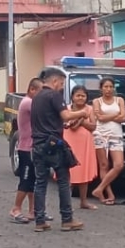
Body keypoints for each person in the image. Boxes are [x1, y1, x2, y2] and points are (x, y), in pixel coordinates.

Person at [31, 67, 89, 232]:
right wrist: (82, 113)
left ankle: (39, 220)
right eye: (62, 83)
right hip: (53, 145)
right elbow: (66, 115)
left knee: (40, 182)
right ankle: (67, 218)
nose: (62, 87)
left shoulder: (37, 97)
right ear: (55, 81)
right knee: (63, 181)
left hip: (37, 144)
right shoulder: (54, 95)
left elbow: (49, 118)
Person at [9, 77, 42, 223]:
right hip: (26, 148)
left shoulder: (31, 102)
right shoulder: (29, 103)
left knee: (33, 180)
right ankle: (15, 209)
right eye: (41, 91)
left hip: (32, 147)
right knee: (26, 180)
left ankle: (33, 210)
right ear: (32, 89)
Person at [92, 77, 125, 205]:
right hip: (100, 135)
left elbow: (124, 117)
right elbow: (99, 118)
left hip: (116, 135)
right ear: (101, 88)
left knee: (118, 165)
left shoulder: (119, 100)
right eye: (105, 87)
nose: (108, 89)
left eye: (111, 87)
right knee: (104, 165)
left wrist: (106, 117)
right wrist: (115, 116)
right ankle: (108, 193)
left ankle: (99, 188)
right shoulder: (97, 101)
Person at [63, 85, 98, 211]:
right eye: (78, 95)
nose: (80, 98)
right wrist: (78, 119)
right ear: (72, 97)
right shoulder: (66, 109)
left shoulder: (89, 109)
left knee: (84, 172)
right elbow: (66, 124)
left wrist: (82, 121)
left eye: (83, 96)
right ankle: (66, 203)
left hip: (84, 144)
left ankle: (84, 201)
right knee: (68, 173)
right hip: (69, 143)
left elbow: (93, 126)